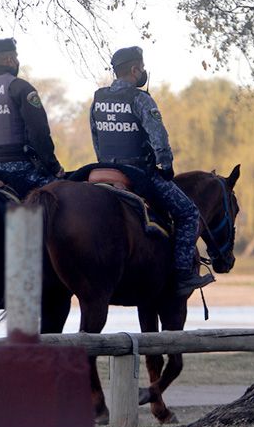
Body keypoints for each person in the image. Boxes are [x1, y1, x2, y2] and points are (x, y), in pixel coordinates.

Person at [91, 46, 212, 297]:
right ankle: (183, 274)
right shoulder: (140, 99)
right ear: (135, 69)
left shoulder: (99, 97)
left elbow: (96, 135)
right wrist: (166, 166)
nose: (143, 71)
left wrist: (105, 162)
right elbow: (159, 138)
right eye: (142, 67)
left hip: (102, 169)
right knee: (189, 213)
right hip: (137, 171)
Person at [0, 38, 63, 190]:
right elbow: (39, 133)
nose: (17, 61)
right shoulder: (21, 88)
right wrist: (53, 166)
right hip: (16, 167)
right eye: (16, 57)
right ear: (10, 60)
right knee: (59, 195)